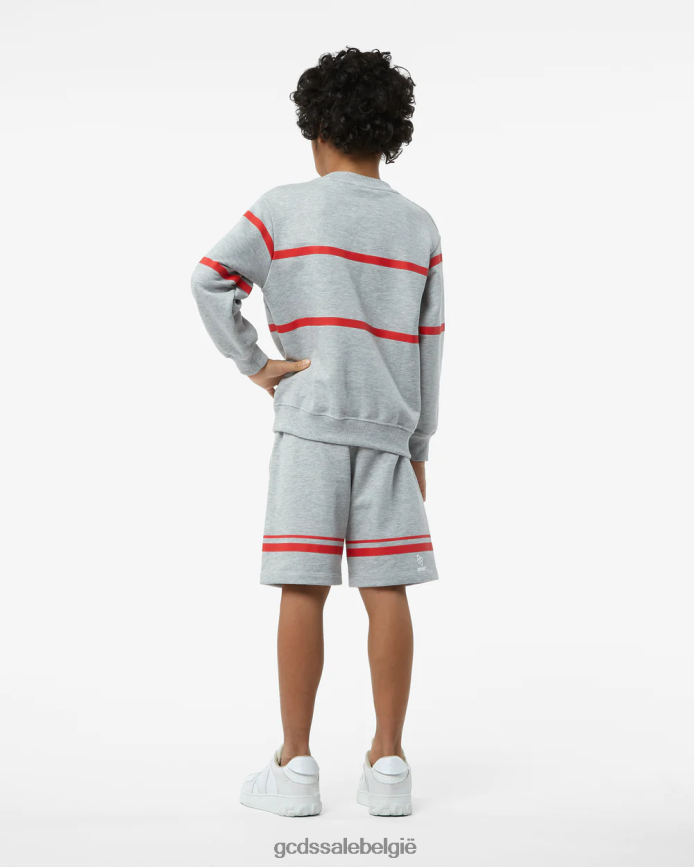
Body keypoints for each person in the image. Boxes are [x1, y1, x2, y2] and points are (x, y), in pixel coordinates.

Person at [191, 47, 445, 818]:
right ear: (393, 133)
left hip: (308, 429)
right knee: (386, 588)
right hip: (388, 437)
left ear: (316, 130)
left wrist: (256, 364)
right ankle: (389, 761)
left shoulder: (283, 208)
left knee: (302, 585)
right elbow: (430, 345)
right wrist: (420, 445)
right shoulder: (418, 225)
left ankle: (296, 763)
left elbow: (208, 278)